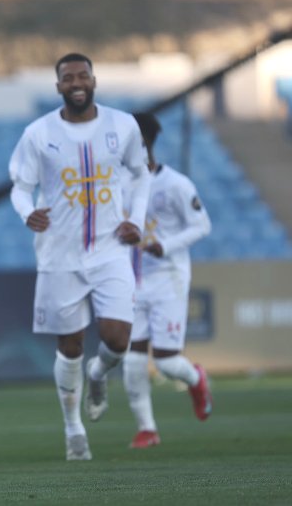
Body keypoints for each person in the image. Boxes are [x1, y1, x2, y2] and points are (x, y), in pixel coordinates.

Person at [8, 53, 151, 461]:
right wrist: (26, 212)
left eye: (82, 76)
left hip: (111, 248)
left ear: (93, 80)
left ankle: (99, 372)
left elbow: (141, 175)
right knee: (70, 344)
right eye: (68, 78)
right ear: (58, 86)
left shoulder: (123, 126)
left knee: (118, 340)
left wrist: (136, 220)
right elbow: (20, 186)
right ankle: (74, 429)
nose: (76, 83)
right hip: (59, 253)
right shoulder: (39, 133)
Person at [122, 112, 213, 449]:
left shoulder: (176, 184)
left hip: (168, 278)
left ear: (145, 144)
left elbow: (202, 225)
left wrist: (166, 245)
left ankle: (195, 378)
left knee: (166, 362)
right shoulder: (120, 184)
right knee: (132, 359)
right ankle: (147, 429)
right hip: (133, 280)